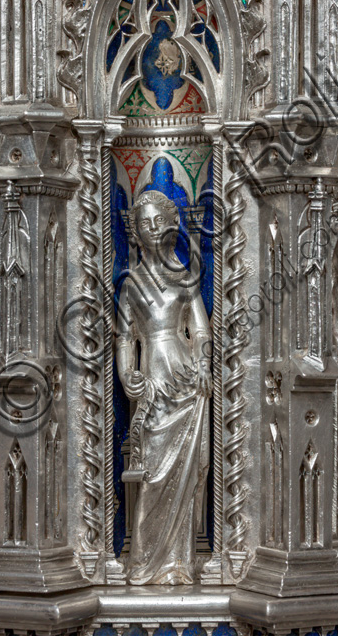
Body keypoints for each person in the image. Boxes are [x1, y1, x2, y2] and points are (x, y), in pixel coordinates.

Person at [116, 190, 212, 585]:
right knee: (153, 475)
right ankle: (145, 562)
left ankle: (179, 562)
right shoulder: (131, 284)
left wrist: (204, 362)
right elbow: (124, 337)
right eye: (145, 224)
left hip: (186, 383)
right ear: (135, 233)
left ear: (173, 226)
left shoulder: (186, 277)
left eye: (159, 221)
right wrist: (126, 373)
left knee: (192, 472)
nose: (153, 230)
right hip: (154, 385)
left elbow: (200, 326)